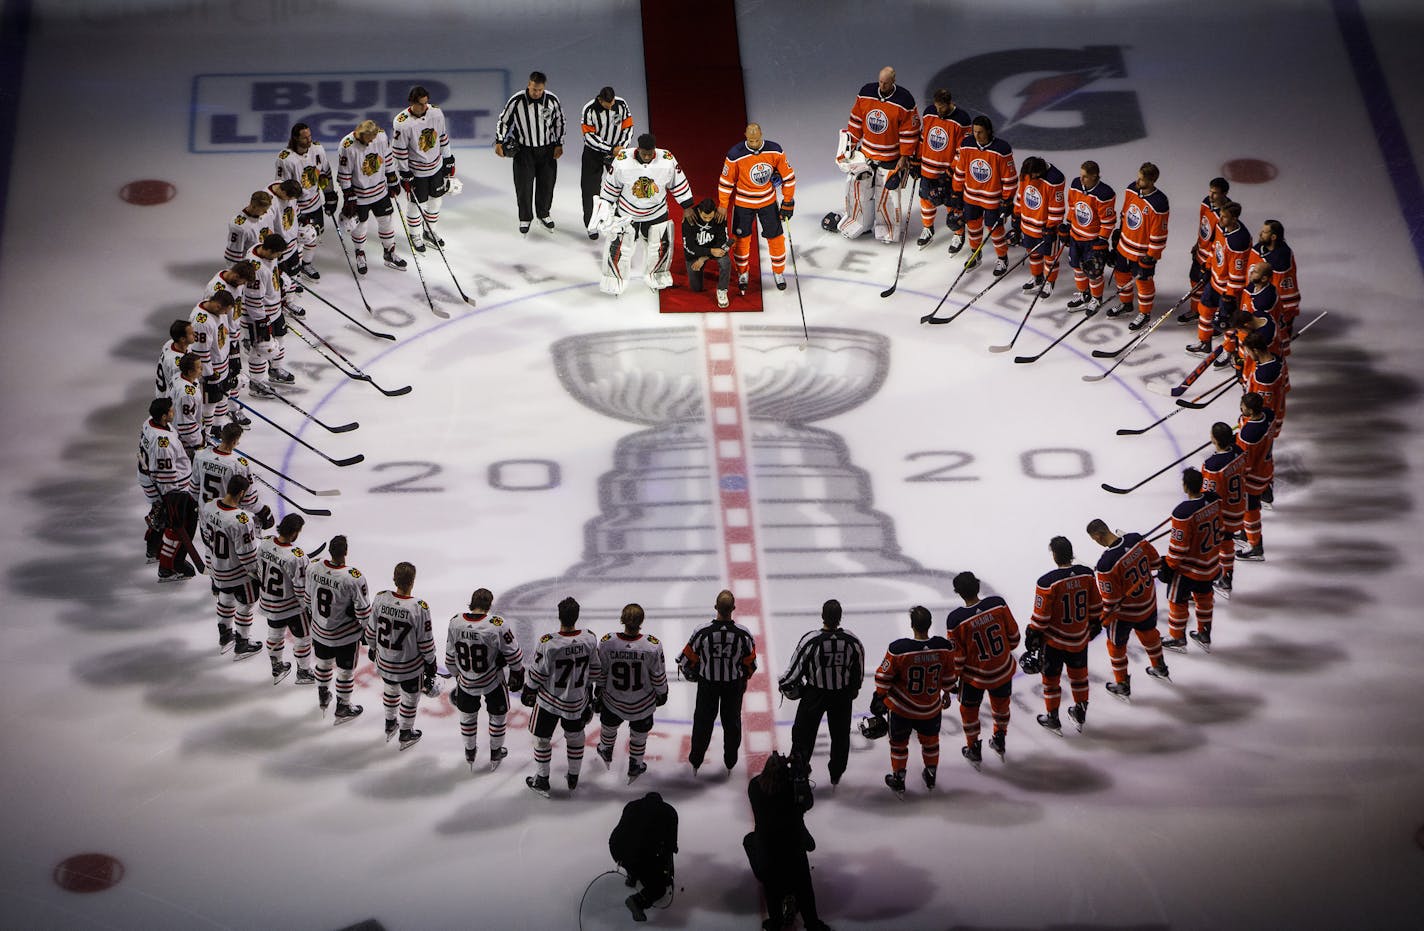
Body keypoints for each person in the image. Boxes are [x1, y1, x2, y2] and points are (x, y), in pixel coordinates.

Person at [592, 132, 693, 295]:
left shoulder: (667, 159)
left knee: (660, 247)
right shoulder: (622, 160)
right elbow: (611, 186)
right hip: (626, 212)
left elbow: (678, 182)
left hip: (656, 212)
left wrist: (687, 206)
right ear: (638, 149)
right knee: (619, 246)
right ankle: (614, 278)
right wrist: (605, 206)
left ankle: (657, 275)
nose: (647, 156)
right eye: (644, 153)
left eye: (650, 153)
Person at [778, 599, 864, 787]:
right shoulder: (852, 641)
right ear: (840, 618)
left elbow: (794, 670)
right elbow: (858, 670)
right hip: (842, 696)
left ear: (822, 616)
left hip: (815, 694)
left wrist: (784, 684)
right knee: (840, 737)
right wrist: (854, 689)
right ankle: (836, 773)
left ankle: (799, 773)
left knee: (802, 735)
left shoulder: (812, 640)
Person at [523, 596, 601, 796]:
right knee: (575, 738)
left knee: (541, 739)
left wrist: (528, 690)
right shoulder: (589, 638)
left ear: (559, 616)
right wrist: (586, 690)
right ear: (577, 616)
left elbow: (537, 674)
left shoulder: (549, 642)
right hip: (577, 701)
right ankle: (573, 776)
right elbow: (595, 670)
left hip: (550, 700)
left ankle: (542, 779)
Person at [871, 605, 953, 794]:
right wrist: (947, 693)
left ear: (911, 625)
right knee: (931, 741)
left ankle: (899, 778)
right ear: (930, 624)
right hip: (931, 707)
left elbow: (882, 678)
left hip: (902, 709)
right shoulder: (943, 647)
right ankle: (931, 773)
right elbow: (949, 676)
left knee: (899, 743)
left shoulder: (899, 649)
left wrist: (879, 696)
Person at [1086, 518, 1170, 699]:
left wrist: (1103, 621)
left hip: (1126, 614)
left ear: (1098, 536)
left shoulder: (1105, 565)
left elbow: (1111, 602)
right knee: (1149, 634)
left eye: (1095, 540)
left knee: (1115, 646)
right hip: (1148, 603)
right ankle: (1160, 667)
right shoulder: (1136, 539)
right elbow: (1156, 563)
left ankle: (1122, 684)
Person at [745, 752, 829, 931]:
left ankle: (775, 923)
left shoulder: (754, 787)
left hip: (768, 852)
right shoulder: (793, 790)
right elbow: (807, 803)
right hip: (793, 850)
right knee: (804, 890)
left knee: (771, 887)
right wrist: (802, 777)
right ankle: (813, 924)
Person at [1026, 536, 1103, 734]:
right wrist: (1094, 623)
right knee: (1079, 677)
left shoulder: (1048, 582)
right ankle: (1080, 711)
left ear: (1055, 555)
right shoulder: (1086, 575)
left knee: (1051, 679)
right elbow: (1095, 605)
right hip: (1079, 637)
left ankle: (1052, 717)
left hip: (1055, 641)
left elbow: (1041, 618)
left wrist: (1032, 633)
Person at [835, 65, 918, 242]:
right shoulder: (866, 92)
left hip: (890, 157)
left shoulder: (905, 100)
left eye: (886, 83)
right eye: (880, 82)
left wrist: (905, 156)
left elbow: (909, 131)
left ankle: (887, 230)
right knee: (858, 191)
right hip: (866, 153)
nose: (882, 86)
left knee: (887, 197)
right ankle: (858, 223)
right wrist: (851, 145)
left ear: (893, 81)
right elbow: (857, 119)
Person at [445, 587, 525, 771]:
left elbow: (450, 659)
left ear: (472, 603)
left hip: (466, 682)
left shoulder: (456, 621)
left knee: (467, 716)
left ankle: (469, 750)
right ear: (489, 605)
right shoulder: (497, 623)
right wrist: (516, 673)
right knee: (498, 716)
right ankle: (496, 751)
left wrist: (459, 676)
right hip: (492, 681)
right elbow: (514, 655)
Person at [945, 571, 1020, 765]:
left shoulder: (956, 620)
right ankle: (1000, 738)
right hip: (1002, 669)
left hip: (974, 678)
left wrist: (952, 679)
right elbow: (1014, 638)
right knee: (1001, 707)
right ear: (978, 585)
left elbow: (958, 658)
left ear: (958, 593)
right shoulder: (997, 604)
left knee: (969, 712)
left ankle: (973, 747)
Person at [679, 589, 758, 773]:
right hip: (733, 686)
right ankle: (730, 761)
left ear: (716, 607)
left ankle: (696, 761)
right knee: (732, 724)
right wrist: (743, 680)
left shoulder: (702, 632)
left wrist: (695, 673)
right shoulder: (743, 634)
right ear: (733, 608)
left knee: (702, 724)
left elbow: (686, 660)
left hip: (708, 685)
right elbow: (751, 664)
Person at [716, 122, 796, 293]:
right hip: (743, 203)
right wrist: (723, 205)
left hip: (768, 201)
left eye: (757, 140)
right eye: (751, 141)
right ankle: (742, 273)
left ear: (761, 135)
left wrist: (788, 200)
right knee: (741, 240)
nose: (754, 144)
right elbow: (726, 182)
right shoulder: (734, 155)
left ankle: (778, 272)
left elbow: (788, 176)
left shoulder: (775, 150)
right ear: (745, 136)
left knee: (776, 238)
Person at [595, 603, 668, 784]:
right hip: (642, 702)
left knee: (609, 727)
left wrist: (599, 690)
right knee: (639, 735)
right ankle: (635, 763)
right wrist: (662, 693)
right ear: (641, 621)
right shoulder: (652, 645)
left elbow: (601, 672)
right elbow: (658, 675)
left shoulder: (607, 642)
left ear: (622, 619)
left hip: (613, 700)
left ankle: (606, 749)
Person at [367, 561, 437, 749]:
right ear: (413, 581)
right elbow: (425, 641)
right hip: (409, 666)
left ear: (394, 579)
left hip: (385, 661)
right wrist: (431, 662)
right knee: (410, 698)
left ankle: (390, 723)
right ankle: (406, 732)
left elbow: (371, 631)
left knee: (390, 690)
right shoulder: (419, 607)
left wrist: (373, 649)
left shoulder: (381, 598)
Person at [305, 534, 371, 724]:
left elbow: (308, 600)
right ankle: (343, 706)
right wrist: (368, 633)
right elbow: (364, 612)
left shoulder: (314, 567)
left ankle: (323, 694)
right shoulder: (353, 577)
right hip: (344, 636)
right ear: (346, 552)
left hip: (319, 630)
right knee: (345, 672)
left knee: (323, 664)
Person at [198, 474, 264, 659]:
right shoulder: (241, 519)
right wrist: (257, 573)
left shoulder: (210, 505)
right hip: (238, 573)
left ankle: (225, 636)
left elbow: (204, 533)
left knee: (225, 599)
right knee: (246, 604)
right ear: (242, 493)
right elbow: (247, 555)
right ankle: (242, 643)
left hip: (218, 568)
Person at [138, 397, 203, 581]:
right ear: (163, 416)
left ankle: (153, 549)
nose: (174, 412)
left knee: (158, 515)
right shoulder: (162, 442)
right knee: (177, 525)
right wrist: (172, 501)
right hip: (171, 488)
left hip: (152, 481)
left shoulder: (149, 424)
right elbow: (164, 474)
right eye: (171, 411)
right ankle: (169, 567)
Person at [1160, 468, 1223, 652]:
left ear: (1185, 487)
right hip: (1210, 562)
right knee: (1204, 597)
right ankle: (1204, 632)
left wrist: (1168, 565)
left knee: (1176, 600)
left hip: (1189, 568)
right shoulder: (1214, 500)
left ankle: (1177, 637)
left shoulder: (1183, 512)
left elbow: (1179, 548)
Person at [495, 71, 565, 235]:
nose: (537, 93)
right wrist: (499, 141)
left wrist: (559, 144)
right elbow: (503, 121)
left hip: (547, 149)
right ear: (529, 85)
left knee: (547, 185)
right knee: (524, 186)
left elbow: (560, 122)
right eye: (534, 89)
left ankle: (543, 214)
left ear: (544, 87)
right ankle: (525, 217)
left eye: (540, 90)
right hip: (524, 150)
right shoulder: (517, 100)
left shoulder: (552, 100)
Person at [336, 119, 407, 273]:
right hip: (359, 196)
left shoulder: (380, 136)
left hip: (380, 191)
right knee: (360, 226)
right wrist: (348, 195)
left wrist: (393, 179)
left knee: (386, 221)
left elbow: (387, 159)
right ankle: (360, 253)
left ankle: (389, 252)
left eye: (374, 136)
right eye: (370, 138)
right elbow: (344, 174)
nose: (373, 140)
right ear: (361, 135)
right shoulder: (347, 146)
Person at [949, 115, 1017, 274]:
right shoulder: (967, 145)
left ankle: (1002, 258)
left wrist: (1007, 200)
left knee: (995, 230)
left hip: (992, 199)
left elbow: (1010, 178)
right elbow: (960, 171)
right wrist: (956, 192)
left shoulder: (1001, 149)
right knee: (973, 226)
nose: (977, 135)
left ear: (988, 131)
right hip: (971, 197)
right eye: (974, 132)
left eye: (980, 132)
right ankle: (975, 253)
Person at [392, 85, 455, 252]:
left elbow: (442, 136)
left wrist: (448, 158)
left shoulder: (436, 113)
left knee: (436, 200)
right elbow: (400, 151)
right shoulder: (402, 123)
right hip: (416, 171)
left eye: (426, 103)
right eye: (421, 104)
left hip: (436, 167)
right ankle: (414, 234)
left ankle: (429, 231)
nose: (424, 107)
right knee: (416, 203)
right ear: (412, 102)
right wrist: (404, 172)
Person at [256, 513, 313, 685]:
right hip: (291, 606)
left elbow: (258, 568)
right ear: (295, 532)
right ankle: (303, 672)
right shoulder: (296, 556)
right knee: (303, 637)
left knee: (275, 634)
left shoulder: (265, 543)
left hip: (269, 601)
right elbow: (300, 587)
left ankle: (277, 666)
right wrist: (307, 607)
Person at [1108, 162, 1170, 321]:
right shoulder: (1131, 189)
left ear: (1151, 181)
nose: (1137, 181)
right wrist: (1119, 233)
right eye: (1138, 177)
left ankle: (1144, 313)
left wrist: (1152, 256)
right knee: (1121, 275)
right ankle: (1126, 304)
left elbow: (1159, 233)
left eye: (1141, 179)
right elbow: (1125, 212)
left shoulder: (1159, 202)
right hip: (1124, 245)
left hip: (1142, 253)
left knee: (1143, 282)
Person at [1188, 201, 1251, 356]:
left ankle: (1229, 351)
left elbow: (1238, 274)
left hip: (1228, 290)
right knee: (1205, 310)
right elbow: (1214, 248)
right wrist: (1208, 267)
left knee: (1227, 321)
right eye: (1221, 216)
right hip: (1214, 282)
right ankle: (1204, 343)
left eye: (1224, 217)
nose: (1220, 219)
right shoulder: (1221, 227)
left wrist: (1230, 296)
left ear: (1234, 218)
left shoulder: (1239, 241)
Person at [275, 122, 337, 279]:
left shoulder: (317, 149)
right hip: (297, 207)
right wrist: (293, 210)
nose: (309, 140)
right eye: (305, 138)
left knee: (313, 236)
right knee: (297, 240)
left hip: (315, 203)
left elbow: (325, 173)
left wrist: (330, 195)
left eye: (310, 136)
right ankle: (294, 271)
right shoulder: (286, 159)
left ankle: (306, 264)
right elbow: (281, 188)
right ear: (295, 138)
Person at [914, 88, 973, 249]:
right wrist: (916, 160)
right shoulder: (929, 113)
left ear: (949, 103)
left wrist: (952, 170)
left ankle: (958, 234)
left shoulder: (962, 119)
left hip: (948, 173)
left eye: (942, 107)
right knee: (925, 200)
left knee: (952, 204)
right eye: (937, 106)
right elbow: (923, 138)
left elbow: (964, 150)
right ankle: (928, 228)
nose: (939, 111)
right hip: (928, 168)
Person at [609, 791, 678, 923]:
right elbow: (671, 847)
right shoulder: (670, 812)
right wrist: (666, 875)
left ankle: (632, 876)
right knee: (659, 888)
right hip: (639, 855)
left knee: (636, 850)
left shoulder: (631, 805)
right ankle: (637, 901)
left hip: (616, 849)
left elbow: (626, 831)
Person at [241, 233, 296, 394]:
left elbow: (274, 269)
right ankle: (256, 385)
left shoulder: (259, 248)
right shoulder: (256, 269)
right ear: (270, 250)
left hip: (275, 308)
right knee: (260, 350)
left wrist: (280, 283)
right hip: (259, 316)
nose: (279, 257)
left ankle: (275, 370)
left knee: (279, 340)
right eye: (278, 254)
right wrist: (261, 322)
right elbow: (253, 300)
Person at [1065, 160, 1118, 317]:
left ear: (1095, 176)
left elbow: (1108, 221)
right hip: (1076, 236)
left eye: (1085, 177)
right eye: (1081, 175)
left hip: (1092, 241)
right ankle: (1084, 294)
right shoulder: (1076, 184)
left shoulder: (1104, 194)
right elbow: (1073, 207)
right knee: (1076, 267)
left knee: (1093, 272)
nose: (1081, 179)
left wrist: (1102, 240)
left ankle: (1096, 298)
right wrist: (1068, 225)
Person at [1200, 422, 1248, 595]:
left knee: (1220, 543)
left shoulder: (1212, 465)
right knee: (1226, 541)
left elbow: (1207, 494)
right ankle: (1226, 574)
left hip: (1223, 513)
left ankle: (1224, 577)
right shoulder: (1239, 452)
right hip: (1239, 506)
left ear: (1215, 439)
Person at [579, 86, 634, 235]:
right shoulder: (589, 109)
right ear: (600, 100)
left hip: (616, 153)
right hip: (594, 153)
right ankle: (592, 225)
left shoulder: (621, 104)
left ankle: (619, 222)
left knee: (620, 187)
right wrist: (610, 148)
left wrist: (622, 147)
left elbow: (628, 127)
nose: (611, 106)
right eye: (607, 103)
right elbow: (588, 136)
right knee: (590, 189)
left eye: (612, 102)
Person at [1014, 156, 1067, 298]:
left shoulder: (1055, 179)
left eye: (1033, 175)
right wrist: (1017, 214)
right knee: (1033, 253)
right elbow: (1021, 194)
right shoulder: (1026, 173)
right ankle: (1037, 277)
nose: (1030, 178)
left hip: (1045, 228)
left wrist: (1051, 227)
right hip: (1028, 223)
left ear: (1040, 171)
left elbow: (1057, 207)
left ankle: (1049, 282)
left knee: (1050, 256)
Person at [187, 289, 237, 436]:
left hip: (222, 365)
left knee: (220, 400)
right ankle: (206, 435)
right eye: (224, 311)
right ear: (217, 307)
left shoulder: (215, 311)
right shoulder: (202, 322)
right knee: (209, 407)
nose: (224, 315)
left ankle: (216, 427)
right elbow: (201, 353)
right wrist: (210, 375)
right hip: (211, 371)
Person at [1235, 392, 1276, 563]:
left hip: (1253, 477)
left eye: (1243, 406)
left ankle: (1255, 547)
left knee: (1250, 511)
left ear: (1250, 410)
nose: (1241, 408)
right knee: (1251, 508)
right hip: (1266, 466)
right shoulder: (1269, 413)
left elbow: (1245, 462)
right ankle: (1246, 533)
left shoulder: (1249, 434)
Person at [1253, 219, 1301, 350]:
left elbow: (1276, 287)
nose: (1260, 233)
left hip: (1284, 302)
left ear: (1273, 237)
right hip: (1267, 299)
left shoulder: (1282, 256)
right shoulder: (1259, 249)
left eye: (1264, 232)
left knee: (1276, 337)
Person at [1186, 176, 1231, 306]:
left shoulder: (1226, 216)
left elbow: (1221, 243)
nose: (1211, 195)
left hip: (1211, 259)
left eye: (1215, 193)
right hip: (1200, 251)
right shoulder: (1206, 202)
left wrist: (1211, 264)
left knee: (1207, 290)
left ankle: (1204, 313)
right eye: (1210, 191)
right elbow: (1203, 225)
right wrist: (1197, 243)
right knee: (1194, 280)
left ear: (1224, 194)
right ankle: (1195, 311)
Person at [682, 198, 731, 307]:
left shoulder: (719, 216)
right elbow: (689, 247)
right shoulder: (689, 218)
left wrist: (704, 258)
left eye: (710, 217)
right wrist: (708, 252)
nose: (708, 220)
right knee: (696, 288)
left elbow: (723, 241)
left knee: (725, 261)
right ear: (699, 211)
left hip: (713, 249)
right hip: (696, 252)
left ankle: (722, 290)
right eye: (705, 217)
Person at [1242, 330, 1288, 438]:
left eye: (1249, 352)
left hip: (1261, 423)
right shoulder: (1275, 359)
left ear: (1256, 350)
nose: (1248, 355)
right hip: (1269, 418)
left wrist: (1249, 418)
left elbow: (1260, 405)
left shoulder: (1264, 377)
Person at [168, 352, 205, 458]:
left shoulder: (177, 376)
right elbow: (185, 426)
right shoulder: (187, 394)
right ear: (189, 372)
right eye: (199, 367)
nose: (202, 369)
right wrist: (199, 441)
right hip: (184, 442)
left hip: (178, 432)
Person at [223, 190, 274, 264]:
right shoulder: (240, 227)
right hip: (249, 264)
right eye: (263, 210)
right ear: (254, 206)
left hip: (262, 261)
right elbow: (232, 258)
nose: (266, 212)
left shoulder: (263, 215)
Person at [155, 319, 194, 399]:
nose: (195, 334)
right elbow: (180, 388)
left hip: (163, 389)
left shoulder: (169, 343)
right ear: (182, 339)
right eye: (191, 334)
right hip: (170, 400)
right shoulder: (177, 364)